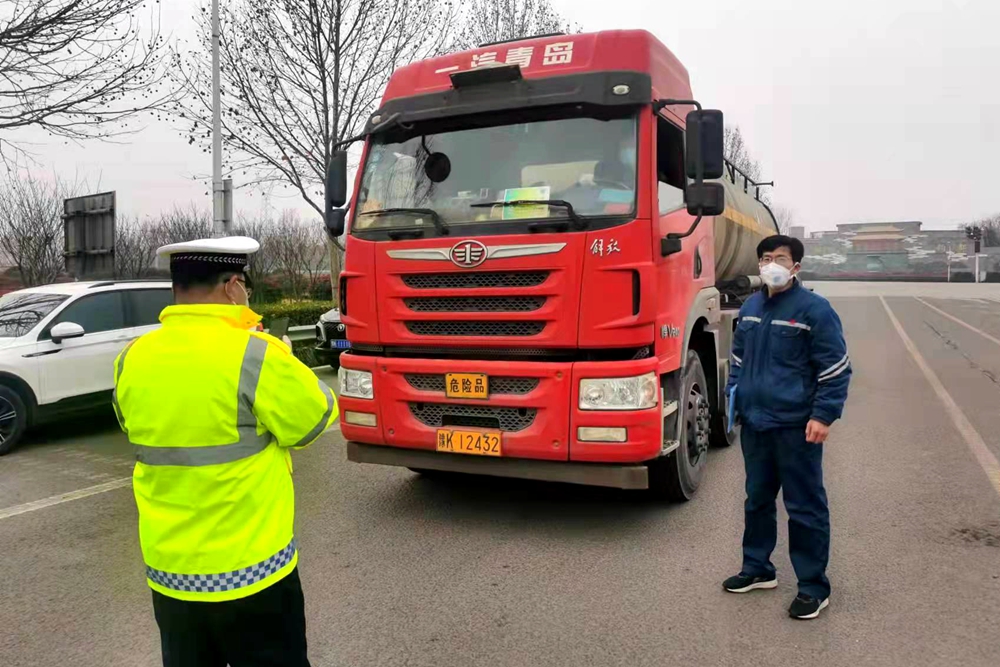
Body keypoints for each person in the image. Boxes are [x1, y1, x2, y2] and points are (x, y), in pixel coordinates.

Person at [113, 237, 339, 666]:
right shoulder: (257, 354)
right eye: (245, 286)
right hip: (252, 572)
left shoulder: (133, 357)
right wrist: (286, 359)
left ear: (177, 288)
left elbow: (130, 425)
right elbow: (314, 420)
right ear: (233, 286)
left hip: (170, 573)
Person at [722, 234, 851, 620]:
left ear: (796, 266)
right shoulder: (750, 307)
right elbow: (738, 360)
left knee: (804, 506)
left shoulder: (814, 310)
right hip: (756, 424)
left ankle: (813, 587)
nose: (771, 265)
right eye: (765, 258)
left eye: (780, 258)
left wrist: (823, 415)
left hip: (796, 427)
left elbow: (835, 368)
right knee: (757, 500)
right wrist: (734, 399)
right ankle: (758, 568)